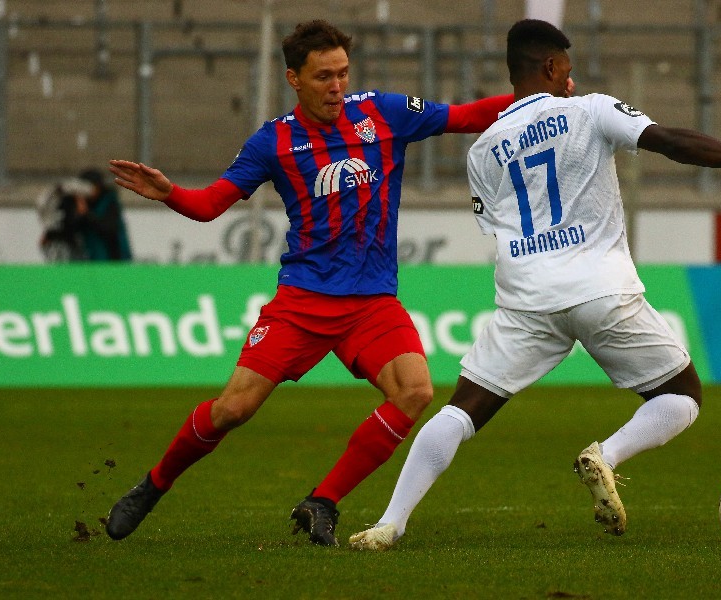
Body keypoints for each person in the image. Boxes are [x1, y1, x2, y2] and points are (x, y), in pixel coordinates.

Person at [349, 18, 721, 550]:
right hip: (600, 288)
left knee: (461, 410)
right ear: (550, 66)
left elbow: (494, 225)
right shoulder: (590, 109)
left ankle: (390, 522)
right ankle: (606, 455)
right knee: (681, 395)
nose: (571, 78)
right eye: (566, 68)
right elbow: (671, 141)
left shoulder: (482, 149)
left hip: (526, 299)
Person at [104, 19, 512, 546]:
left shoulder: (382, 113)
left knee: (415, 390)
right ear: (295, 79)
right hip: (303, 300)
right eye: (324, 76)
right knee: (233, 409)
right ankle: (153, 485)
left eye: (343, 73)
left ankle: (322, 501)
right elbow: (211, 205)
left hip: (371, 303)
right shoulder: (273, 141)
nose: (337, 86)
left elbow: (467, 116)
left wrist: (541, 98)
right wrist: (171, 193)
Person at [38, 168, 133, 262]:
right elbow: (71, 229)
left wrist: (86, 213)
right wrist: (51, 235)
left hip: (113, 259)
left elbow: (109, 229)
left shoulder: (109, 202)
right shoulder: (82, 202)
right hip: (92, 260)